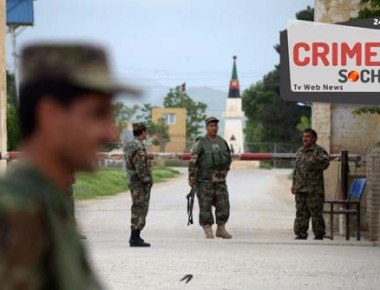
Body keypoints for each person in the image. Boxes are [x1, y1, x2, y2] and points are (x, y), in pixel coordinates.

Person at [0, 43, 138, 289]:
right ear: (50, 115)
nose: (110, 132)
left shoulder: (46, 202)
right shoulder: (15, 213)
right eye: (97, 114)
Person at [188, 116, 232, 239]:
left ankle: (221, 229)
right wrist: (192, 178)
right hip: (204, 181)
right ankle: (208, 229)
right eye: (211, 126)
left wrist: (224, 172)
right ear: (206, 127)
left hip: (220, 181)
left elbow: (228, 159)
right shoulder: (200, 143)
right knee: (205, 206)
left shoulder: (222, 142)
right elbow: (193, 161)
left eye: (216, 125)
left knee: (223, 205)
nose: (214, 128)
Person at [292, 128, 330, 240]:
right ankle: (301, 233)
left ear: (314, 138)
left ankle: (319, 234)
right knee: (301, 212)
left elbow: (325, 164)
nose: (304, 138)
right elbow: (296, 170)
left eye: (307, 136)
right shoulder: (299, 152)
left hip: (314, 189)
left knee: (316, 213)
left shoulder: (319, 151)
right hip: (300, 188)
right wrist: (294, 184)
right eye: (303, 136)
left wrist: (316, 161)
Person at [124, 122, 152, 247]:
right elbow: (140, 166)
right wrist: (147, 180)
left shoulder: (129, 145)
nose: (147, 134)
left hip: (132, 181)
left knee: (136, 207)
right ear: (143, 132)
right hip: (139, 183)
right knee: (140, 208)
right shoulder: (139, 147)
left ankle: (135, 236)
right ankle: (135, 237)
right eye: (146, 131)